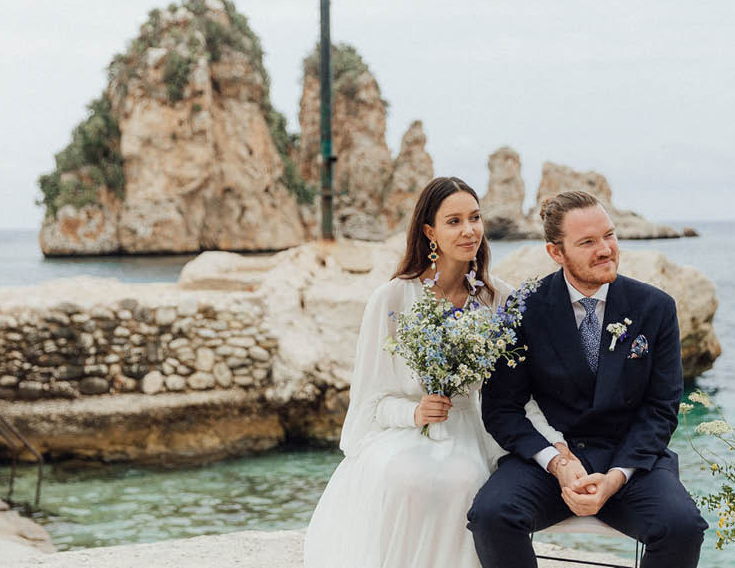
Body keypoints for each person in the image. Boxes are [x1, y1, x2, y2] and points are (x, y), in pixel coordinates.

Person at [303, 176, 569, 568]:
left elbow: (521, 392)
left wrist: (557, 446)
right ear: (429, 231)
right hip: (404, 429)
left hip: (474, 429)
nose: (469, 230)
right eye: (454, 221)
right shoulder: (392, 297)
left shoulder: (501, 298)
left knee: (464, 481)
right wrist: (414, 413)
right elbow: (370, 402)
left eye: (475, 218)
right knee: (404, 477)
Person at [468, 190, 709, 568]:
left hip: (631, 463)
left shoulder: (656, 307)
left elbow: (661, 410)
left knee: (683, 526)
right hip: (552, 464)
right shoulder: (524, 309)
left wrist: (616, 477)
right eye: (587, 242)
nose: (605, 249)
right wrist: (555, 461)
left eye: (609, 235)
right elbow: (502, 408)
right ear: (555, 252)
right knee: (491, 515)